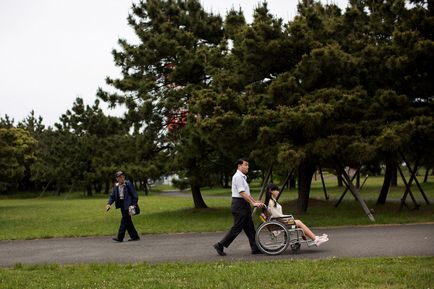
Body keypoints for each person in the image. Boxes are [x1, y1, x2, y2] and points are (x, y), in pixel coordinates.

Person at [213, 158, 264, 256]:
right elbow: (241, 192)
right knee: (237, 228)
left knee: (250, 227)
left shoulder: (243, 177)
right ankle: (220, 245)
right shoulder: (237, 177)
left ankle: (255, 248)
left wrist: (255, 201)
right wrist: (253, 203)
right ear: (239, 166)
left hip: (243, 204)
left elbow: (247, 194)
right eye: (245, 165)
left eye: (248, 165)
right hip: (239, 205)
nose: (247, 167)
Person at [264, 183, 328, 246]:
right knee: (299, 222)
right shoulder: (271, 202)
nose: (278, 192)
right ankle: (315, 239)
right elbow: (276, 216)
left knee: (298, 222)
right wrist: (288, 217)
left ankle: (313, 237)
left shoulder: (272, 201)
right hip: (279, 222)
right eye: (277, 190)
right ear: (272, 191)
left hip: (279, 221)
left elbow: (277, 215)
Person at [106, 171, 140, 242]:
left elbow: (135, 195)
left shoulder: (128, 184)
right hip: (121, 205)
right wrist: (109, 204)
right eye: (119, 177)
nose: (121, 178)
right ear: (117, 179)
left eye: (122, 176)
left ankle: (120, 237)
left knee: (124, 220)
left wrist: (133, 205)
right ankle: (135, 236)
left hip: (128, 205)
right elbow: (112, 196)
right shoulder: (116, 186)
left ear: (124, 177)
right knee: (128, 221)